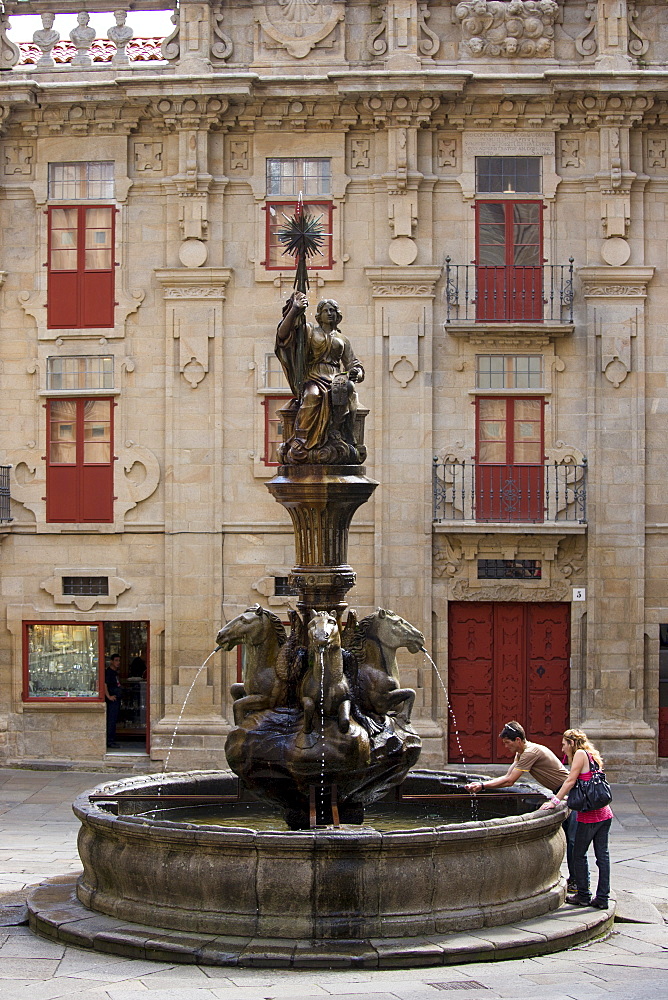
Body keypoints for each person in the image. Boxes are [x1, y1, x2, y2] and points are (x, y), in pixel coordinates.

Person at [465, 720, 578, 890]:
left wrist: (482, 786)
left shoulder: (530, 753)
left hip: (571, 792)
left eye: (507, 743)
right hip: (560, 792)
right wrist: (481, 784)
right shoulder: (521, 753)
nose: (505, 747)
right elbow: (507, 776)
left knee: (574, 840)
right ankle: (574, 880)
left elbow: (510, 780)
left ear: (518, 740)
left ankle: (577, 882)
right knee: (570, 839)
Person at [275, 290, 365, 464]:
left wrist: (357, 373)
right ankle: (302, 439)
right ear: (319, 315)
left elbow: (353, 364)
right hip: (314, 376)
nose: (330, 313)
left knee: (347, 390)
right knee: (313, 395)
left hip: (336, 378)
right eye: (326, 310)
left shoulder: (342, 339)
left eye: (333, 310)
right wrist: (295, 310)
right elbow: (283, 335)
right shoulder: (308, 331)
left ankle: (336, 432)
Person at [539, 728, 613, 909]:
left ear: (572, 743)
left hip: (590, 817)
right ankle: (602, 898)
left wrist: (555, 801)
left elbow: (571, 780)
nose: (563, 749)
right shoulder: (592, 754)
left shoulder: (580, 753)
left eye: (564, 744)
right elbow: (587, 784)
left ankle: (583, 894)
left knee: (578, 854)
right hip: (605, 814)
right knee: (602, 856)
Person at [104, 653, 122, 749]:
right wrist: (108, 696)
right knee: (111, 720)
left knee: (114, 720)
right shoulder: (109, 672)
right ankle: (110, 741)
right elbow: (104, 684)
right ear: (111, 661)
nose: (118, 662)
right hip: (111, 700)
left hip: (116, 698)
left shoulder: (115, 672)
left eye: (119, 660)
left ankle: (112, 739)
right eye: (116, 660)